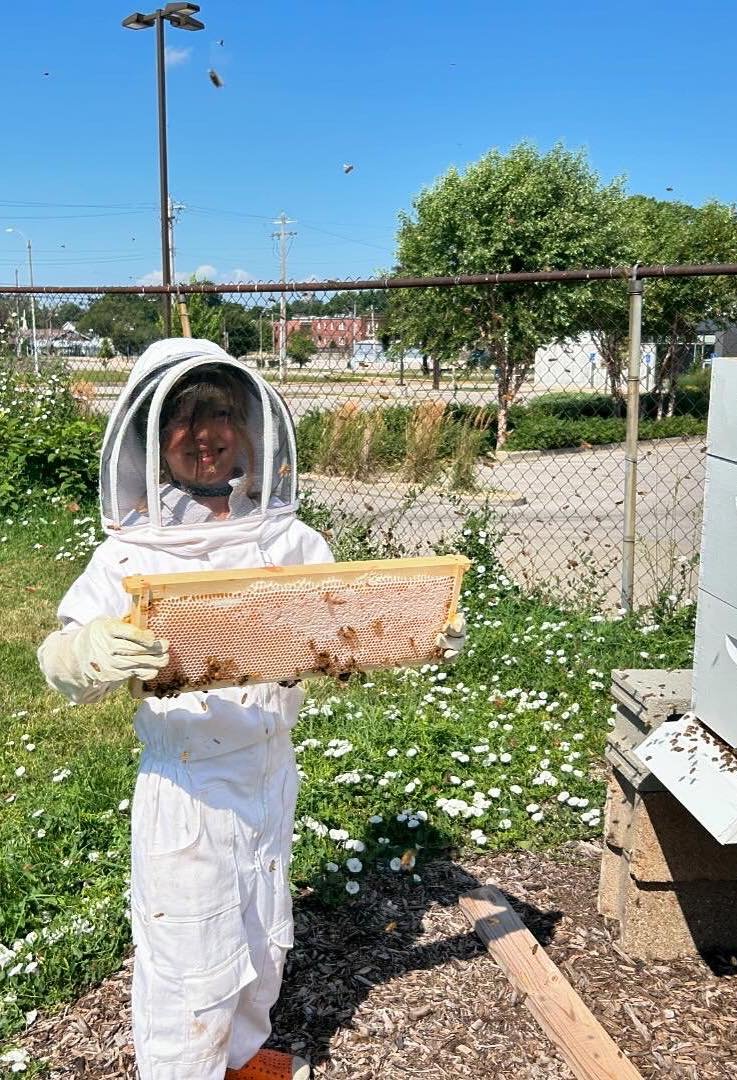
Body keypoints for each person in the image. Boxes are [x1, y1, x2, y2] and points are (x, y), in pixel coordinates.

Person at [37, 339, 465, 1080]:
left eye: (224, 412)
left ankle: (237, 1059)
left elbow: (346, 616)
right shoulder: (130, 555)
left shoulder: (284, 537)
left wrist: (419, 625)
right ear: (147, 434)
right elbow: (59, 658)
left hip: (271, 771)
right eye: (186, 416)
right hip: (189, 792)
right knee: (189, 962)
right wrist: (84, 654)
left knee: (263, 935)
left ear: (252, 427)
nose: (208, 434)